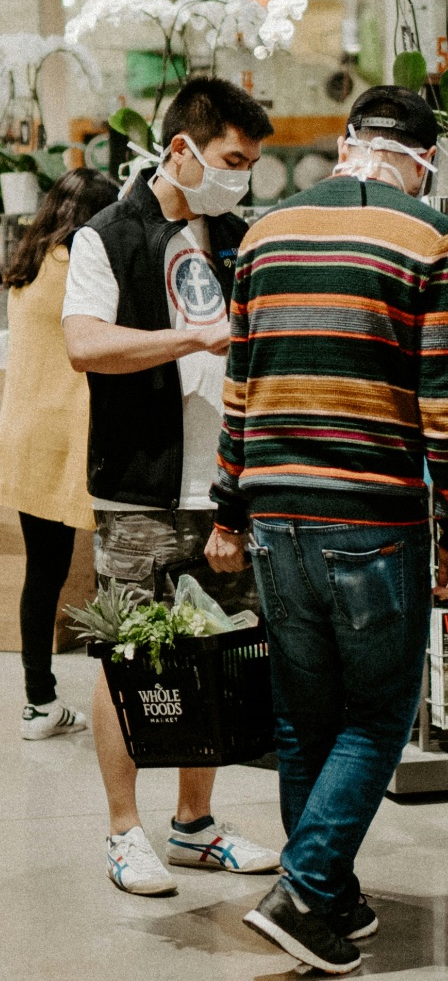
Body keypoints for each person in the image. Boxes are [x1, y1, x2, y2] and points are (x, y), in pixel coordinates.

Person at [206, 87, 448, 976]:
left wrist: (228, 508)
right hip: (371, 517)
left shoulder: (265, 233)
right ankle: (305, 888)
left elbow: (242, 386)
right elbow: (441, 406)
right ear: (424, 158)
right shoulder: (429, 237)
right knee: (379, 712)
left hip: (273, 515)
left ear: (347, 145)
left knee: (304, 716)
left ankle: (334, 897)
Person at [61, 77, 281, 896]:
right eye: (231, 159)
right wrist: (188, 337)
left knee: (215, 654)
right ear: (182, 150)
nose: (241, 176)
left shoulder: (238, 237)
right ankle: (125, 832)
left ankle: (195, 824)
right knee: (132, 658)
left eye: (252, 163)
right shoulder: (107, 236)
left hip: (224, 486)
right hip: (142, 485)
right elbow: (85, 344)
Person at [0, 167, 117, 740]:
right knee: (112, 568)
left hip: (24, 432)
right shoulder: (80, 268)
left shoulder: (29, 265)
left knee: (42, 572)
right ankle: (123, 700)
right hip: (69, 435)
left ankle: (38, 701)